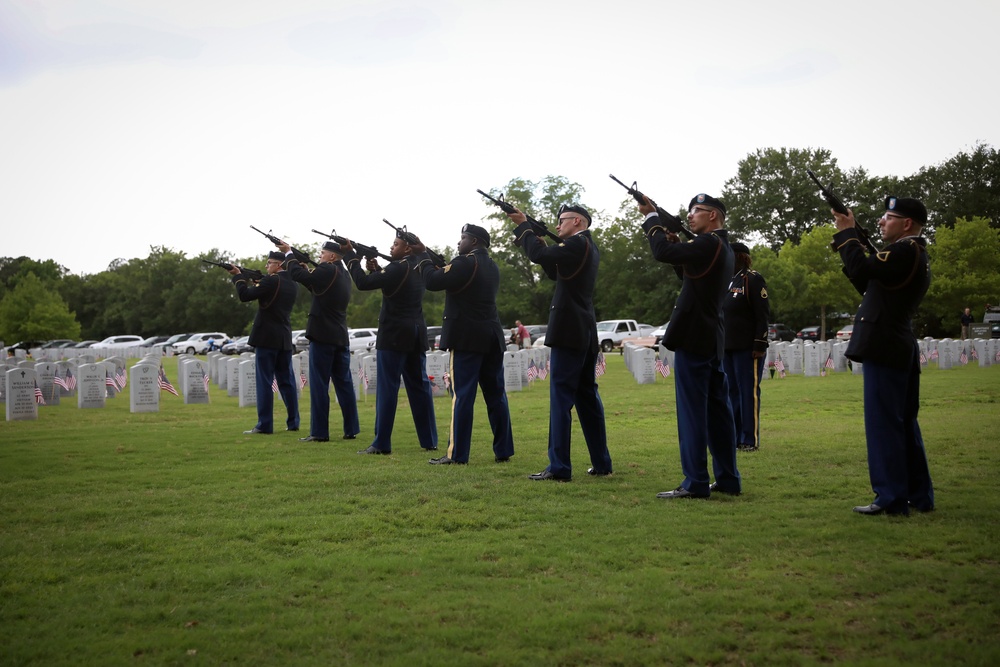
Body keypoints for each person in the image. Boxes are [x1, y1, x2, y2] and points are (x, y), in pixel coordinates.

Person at [832, 196, 934, 516]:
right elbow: (869, 280)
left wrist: (847, 234)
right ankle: (919, 495)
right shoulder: (911, 252)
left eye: (888, 217)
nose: (881, 222)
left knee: (884, 425)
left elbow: (864, 267)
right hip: (896, 343)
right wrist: (855, 243)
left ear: (906, 224)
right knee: (903, 424)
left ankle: (890, 498)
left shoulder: (905, 249)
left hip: (885, 344)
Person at [637, 193, 740, 499]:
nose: (691, 215)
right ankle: (727, 478)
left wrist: (651, 219)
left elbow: (661, 252)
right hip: (710, 337)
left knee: (693, 413)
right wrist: (677, 246)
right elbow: (690, 273)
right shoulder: (722, 247)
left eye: (697, 211)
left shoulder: (708, 243)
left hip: (694, 336)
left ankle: (695, 481)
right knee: (718, 413)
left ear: (713, 216)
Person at [505, 203, 612, 481]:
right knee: (587, 397)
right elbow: (554, 269)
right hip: (582, 330)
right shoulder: (585, 246)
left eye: (562, 220)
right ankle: (601, 462)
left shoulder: (577, 244)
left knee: (561, 398)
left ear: (577, 221)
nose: (557, 226)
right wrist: (533, 238)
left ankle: (559, 467)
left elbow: (539, 254)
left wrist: (523, 226)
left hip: (569, 330)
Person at [417, 224, 514, 465]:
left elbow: (431, 280)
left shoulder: (464, 262)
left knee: (462, 397)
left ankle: (457, 454)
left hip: (467, 338)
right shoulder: (491, 266)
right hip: (491, 336)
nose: (458, 243)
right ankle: (504, 449)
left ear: (474, 242)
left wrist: (421, 255)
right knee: (496, 395)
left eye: (463, 238)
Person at [341, 232, 438, 455]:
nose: (391, 247)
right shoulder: (422, 265)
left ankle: (381, 443)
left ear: (407, 249)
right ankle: (429, 440)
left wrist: (350, 257)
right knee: (419, 388)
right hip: (415, 332)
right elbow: (393, 288)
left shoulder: (398, 267)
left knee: (387, 388)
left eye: (396, 244)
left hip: (394, 333)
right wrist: (375, 268)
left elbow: (363, 283)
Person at [280, 240, 360, 443]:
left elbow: (297, 275)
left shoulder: (327, 268)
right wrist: (307, 272)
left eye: (322, 253)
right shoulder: (343, 274)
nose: (320, 257)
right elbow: (317, 287)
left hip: (322, 335)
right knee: (344, 385)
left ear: (332, 256)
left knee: (319, 385)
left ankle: (319, 431)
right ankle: (351, 428)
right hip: (339, 336)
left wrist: (289, 254)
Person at [229, 252, 300, 434]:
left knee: (264, 381)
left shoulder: (271, 281)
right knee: (287, 382)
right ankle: (293, 422)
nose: (267, 266)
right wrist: (259, 284)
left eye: (269, 263)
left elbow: (244, 296)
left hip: (266, 337)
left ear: (279, 265)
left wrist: (238, 277)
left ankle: (264, 424)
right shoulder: (292, 283)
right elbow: (270, 298)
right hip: (283, 337)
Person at [723, 242, 770, 453]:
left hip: (747, 347)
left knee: (747, 392)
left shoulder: (752, 279)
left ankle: (749, 438)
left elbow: (762, 315)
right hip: (727, 347)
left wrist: (760, 343)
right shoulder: (724, 280)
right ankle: (733, 436)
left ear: (740, 257)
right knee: (731, 392)